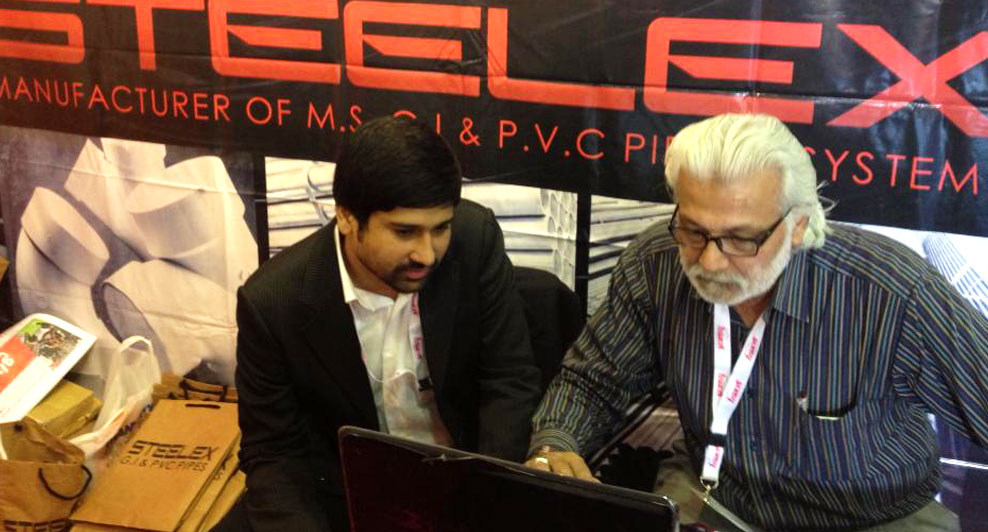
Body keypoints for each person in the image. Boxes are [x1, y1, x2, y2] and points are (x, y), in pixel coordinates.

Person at [526, 113, 988, 531]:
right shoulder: (655, 265)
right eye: (693, 231)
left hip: (876, 517)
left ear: (798, 225)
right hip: (716, 496)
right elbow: (593, 381)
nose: (709, 261)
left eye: (742, 239)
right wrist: (554, 447)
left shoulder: (890, 291)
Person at [231, 116, 542, 531]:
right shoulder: (273, 303)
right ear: (346, 217)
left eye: (440, 229)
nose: (427, 254)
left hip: (469, 479)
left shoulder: (475, 240)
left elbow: (509, 379)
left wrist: (482, 504)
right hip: (347, 497)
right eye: (404, 232)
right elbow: (273, 453)